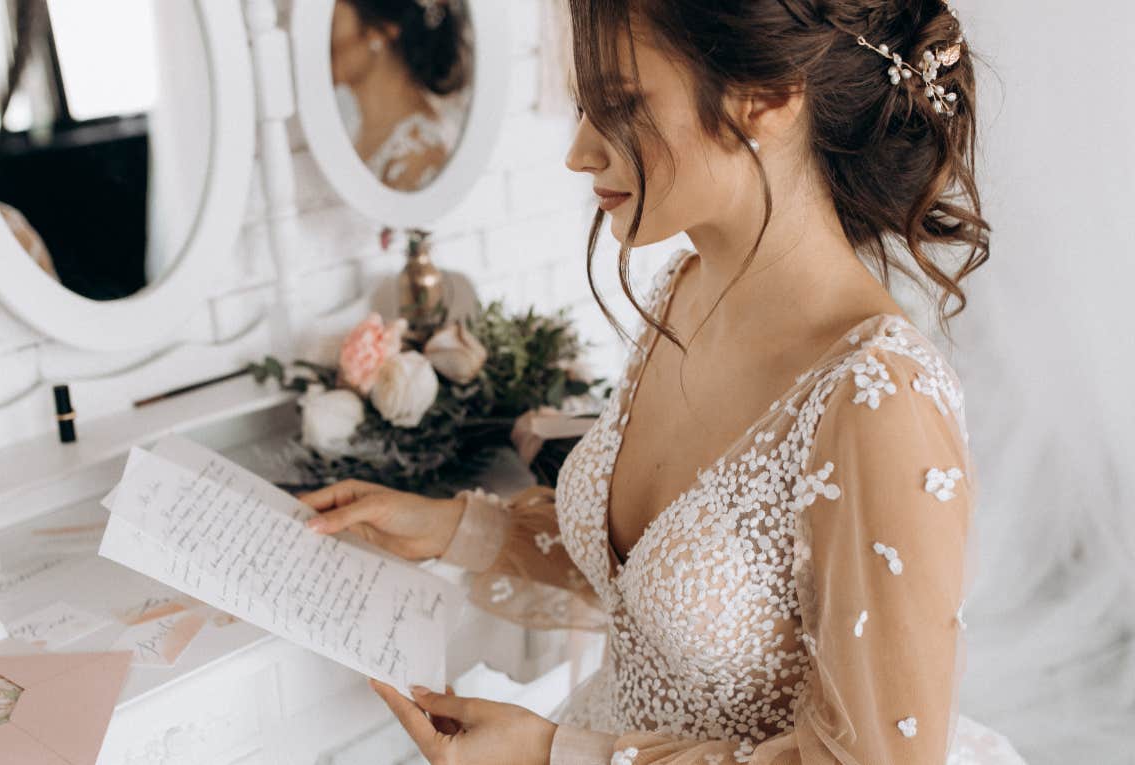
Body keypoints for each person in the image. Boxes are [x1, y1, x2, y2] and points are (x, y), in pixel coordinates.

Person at [301, 0, 1029, 762]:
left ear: (769, 96)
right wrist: (456, 528)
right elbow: (653, 583)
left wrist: (558, 755)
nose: (580, 152)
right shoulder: (681, 288)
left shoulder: (878, 401)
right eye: (585, 108)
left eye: (619, 106)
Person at [330, 0, 470, 191]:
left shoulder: (419, 154)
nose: (323, 40)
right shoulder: (351, 126)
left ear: (379, 32)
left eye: (333, 24)